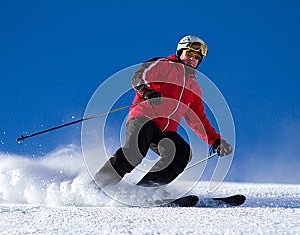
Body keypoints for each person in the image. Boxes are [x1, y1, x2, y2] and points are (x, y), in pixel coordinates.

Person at [94, 35, 232, 188]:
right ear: (180, 53)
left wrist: (215, 140)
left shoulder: (193, 88)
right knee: (135, 153)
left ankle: (146, 189)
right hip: (144, 118)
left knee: (181, 153)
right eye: (189, 54)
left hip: (165, 131)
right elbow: (140, 76)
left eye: (196, 57)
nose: (192, 59)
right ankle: (99, 185)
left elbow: (198, 119)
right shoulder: (164, 65)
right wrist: (146, 91)